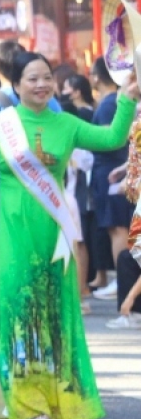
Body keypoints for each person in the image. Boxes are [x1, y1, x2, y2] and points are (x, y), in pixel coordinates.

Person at [0, 51, 139, 419]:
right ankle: (29, 402)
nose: (40, 84)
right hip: (13, 230)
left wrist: (127, 99)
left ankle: (54, 395)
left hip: (55, 232)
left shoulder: (66, 124)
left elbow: (112, 138)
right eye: (31, 78)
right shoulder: (0, 127)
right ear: (16, 85)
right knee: (20, 307)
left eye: (46, 77)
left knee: (52, 308)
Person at [87, 60, 133, 303]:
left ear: (97, 76)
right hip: (115, 170)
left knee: (118, 230)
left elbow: (110, 138)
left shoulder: (108, 105)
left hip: (110, 172)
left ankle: (123, 282)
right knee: (119, 229)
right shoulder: (114, 101)